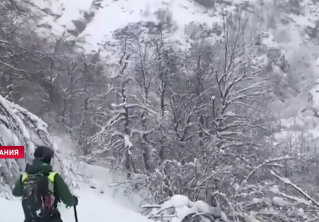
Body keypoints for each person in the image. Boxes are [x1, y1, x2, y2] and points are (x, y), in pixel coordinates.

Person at [12, 146, 78, 222]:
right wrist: (73, 200)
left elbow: (16, 193)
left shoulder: (25, 176)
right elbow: (68, 200)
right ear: (47, 159)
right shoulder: (53, 176)